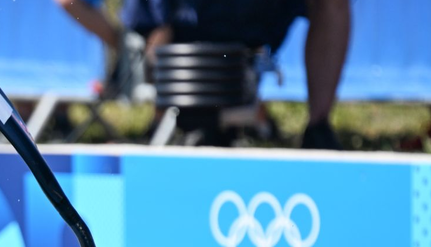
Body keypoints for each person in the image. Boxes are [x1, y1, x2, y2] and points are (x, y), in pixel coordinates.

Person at [57, 0, 350, 150]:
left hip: (251, 24)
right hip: (182, 28)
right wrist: (132, 39)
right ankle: (177, 115)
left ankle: (318, 128)